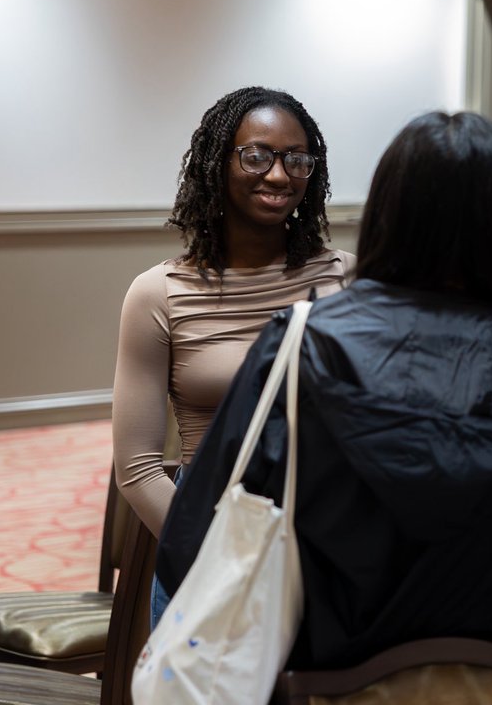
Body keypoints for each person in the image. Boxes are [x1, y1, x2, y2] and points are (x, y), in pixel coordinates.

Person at [157, 111, 492, 670]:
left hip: (322, 675)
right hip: (489, 674)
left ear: (386, 212)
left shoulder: (302, 344)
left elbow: (190, 540)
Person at [111, 87, 353, 623]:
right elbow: (138, 468)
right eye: (256, 156)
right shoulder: (158, 294)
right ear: (217, 164)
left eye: (297, 159)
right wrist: (220, 556)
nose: (279, 175)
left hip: (326, 548)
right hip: (208, 549)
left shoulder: (346, 277)